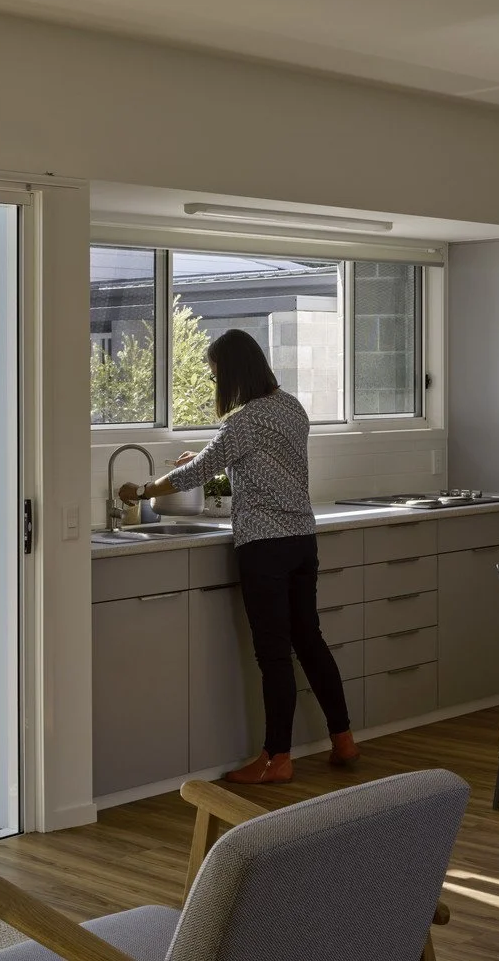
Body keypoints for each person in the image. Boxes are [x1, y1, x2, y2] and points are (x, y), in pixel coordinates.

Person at [118, 329, 359, 784]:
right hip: (302, 539)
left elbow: (195, 474)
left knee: (273, 654)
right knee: (310, 640)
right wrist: (218, 458)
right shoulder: (291, 407)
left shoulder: (241, 422)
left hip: (264, 547)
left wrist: (143, 490)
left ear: (232, 372)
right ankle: (343, 738)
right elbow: (260, 459)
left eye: (215, 376)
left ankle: (277, 758)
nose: (214, 385)